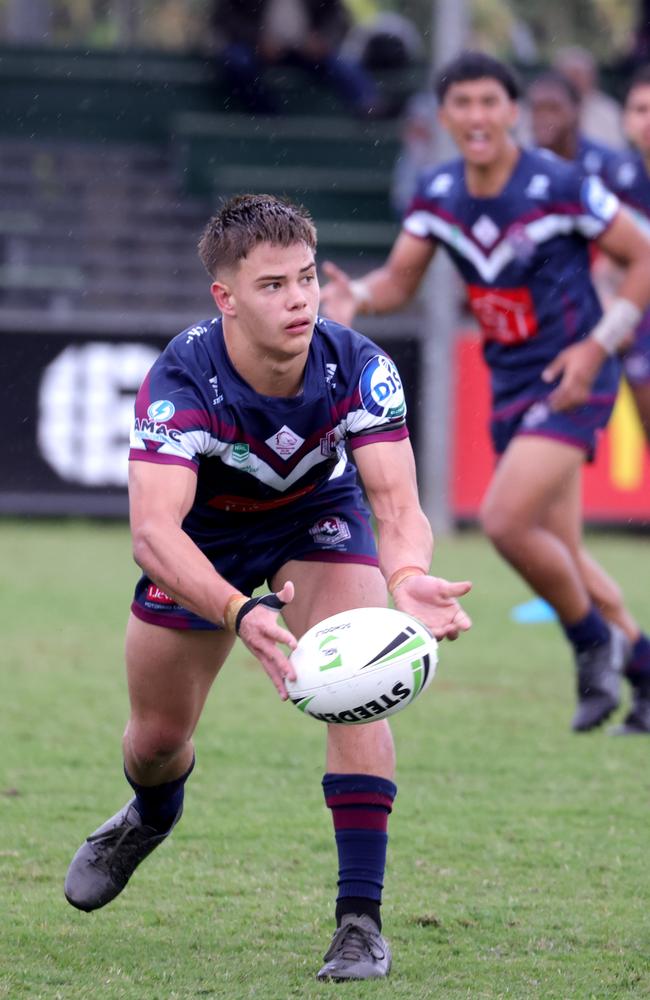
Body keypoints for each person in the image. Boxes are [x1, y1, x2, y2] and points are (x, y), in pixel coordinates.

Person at [63, 194, 472, 981]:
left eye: (308, 278)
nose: (300, 300)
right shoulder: (180, 378)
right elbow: (154, 534)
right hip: (203, 541)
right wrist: (234, 608)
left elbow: (393, 503)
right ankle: (148, 816)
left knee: (359, 677)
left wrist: (409, 576)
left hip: (316, 517)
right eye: (274, 285)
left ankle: (360, 921)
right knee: (155, 742)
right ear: (226, 298)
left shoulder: (358, 365)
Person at [320, 50, 650, 736]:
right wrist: (358, 297)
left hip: (571, 379)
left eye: (489, 102)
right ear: (444, 116)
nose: (476, 116)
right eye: (461, 104)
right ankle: (641, 670)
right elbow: (399, 281)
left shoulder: (560, 182)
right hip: (511, 387)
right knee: (563, 550)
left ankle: (592, 645)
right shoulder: (440, 192)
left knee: (504, 522)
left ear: (512, 112)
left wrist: (597, 346)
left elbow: (642, 253)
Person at [597, 64, 650, 446]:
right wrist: (613, 309)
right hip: (639, 324)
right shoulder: (614, 179)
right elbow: (605, 265)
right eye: (640, 110)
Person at [211, 0, 383, 117]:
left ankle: (369, 104)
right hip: (255, 48)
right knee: (236, 62)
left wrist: (322, 41)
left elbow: (338, 17)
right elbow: (224, 18)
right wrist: (257, 40)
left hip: (305, 49)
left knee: (342, 64)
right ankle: (266, 114)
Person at [527, 70, 619, 178]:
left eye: (553, 108)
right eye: (536, 109)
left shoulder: (607, 163)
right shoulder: (518, 165)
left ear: (576, 109)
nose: (543, 117)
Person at [553, 46, 626, 149]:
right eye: (568, 74)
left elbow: (619, 150)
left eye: (579, 75)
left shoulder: (609, 111)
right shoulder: (540, 109)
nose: (574, 81)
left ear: (592, 77)